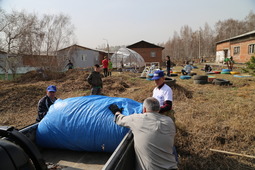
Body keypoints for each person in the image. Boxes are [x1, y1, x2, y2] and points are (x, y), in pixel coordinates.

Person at [108, 97, 177, 170]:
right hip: (172, 167)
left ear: (144, 109)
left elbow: (119, 119)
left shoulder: (137, 119)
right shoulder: (169, 121)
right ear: (159, 109)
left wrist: (116, 111)